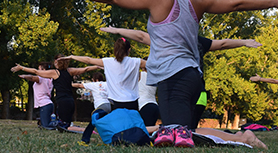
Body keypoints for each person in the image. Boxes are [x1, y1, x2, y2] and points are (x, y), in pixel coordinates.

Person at [51, 0, 278, 147]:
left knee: (179, 133)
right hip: (192, 77)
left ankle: (241, 138)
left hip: (174, 78)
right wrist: (273, 2)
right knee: (177, 132)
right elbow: (237, 3)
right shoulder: (198, 0)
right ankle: (238, 138)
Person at [100, 26, 261, 127]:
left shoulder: (169, 41)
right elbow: (223, 44)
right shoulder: (199, 41)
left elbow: (142, 37)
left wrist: (118, 31)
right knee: (190, 130)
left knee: (178, 130)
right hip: (200, 92)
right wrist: (244, 41)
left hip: (178, 92)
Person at [11, 56, 100, 127]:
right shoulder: (70, 71)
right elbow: (86, 69)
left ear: (57, 64)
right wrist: (98, 66)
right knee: (67, 123)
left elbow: (36, 72)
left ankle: (86, 131)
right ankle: (80, 129)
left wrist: (21, 67)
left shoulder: (55, 73)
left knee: (63, 125)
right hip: (71, 101)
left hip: (62, 101)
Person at [60, 38, 146, 111]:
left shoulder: (108, 62)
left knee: (119, 126)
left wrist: (71, 56)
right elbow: (153, 64)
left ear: (115, 50)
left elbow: (88, 60)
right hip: (132, 100)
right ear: (129, 50)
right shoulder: (136, 61)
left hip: (117, 101)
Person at [18, 62, 57, 129]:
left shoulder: (42, 78)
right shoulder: (50, 79)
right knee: (44, 123)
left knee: (46, 125)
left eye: (39, 69)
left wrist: (24, 76)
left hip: (44, 104)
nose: (38, 71)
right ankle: (59, 123)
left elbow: (32, 78)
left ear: (44, 70)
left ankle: (61, 124)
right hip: (48, 104)